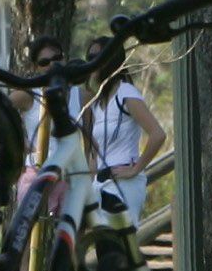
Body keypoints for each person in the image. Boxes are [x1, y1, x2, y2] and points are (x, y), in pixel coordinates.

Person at [25, 33, 168, 224]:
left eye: (96, 58)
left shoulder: (125, 93)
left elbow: (158, 135)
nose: (91, 63)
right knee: (97, 244)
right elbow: (94, 152)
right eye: (89, 58)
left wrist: (135, 169)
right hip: (101, 184)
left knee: (117, 247)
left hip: (123, 184)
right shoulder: (98, 102)